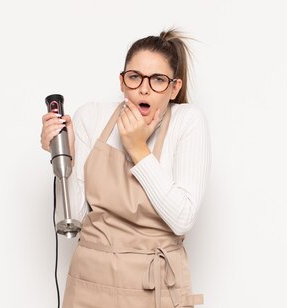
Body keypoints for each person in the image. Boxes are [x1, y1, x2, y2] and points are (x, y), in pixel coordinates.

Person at [40, 28, 210, 308]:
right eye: (135, 77)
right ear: (122, 82)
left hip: (155, 288)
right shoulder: (91, 117)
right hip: (88, 282)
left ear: (174, 87)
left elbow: (183, 218)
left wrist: (138, 149)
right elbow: (74, 218)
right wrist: (64, 159)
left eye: (158, 80)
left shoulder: (187, 122)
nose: (144, 88)